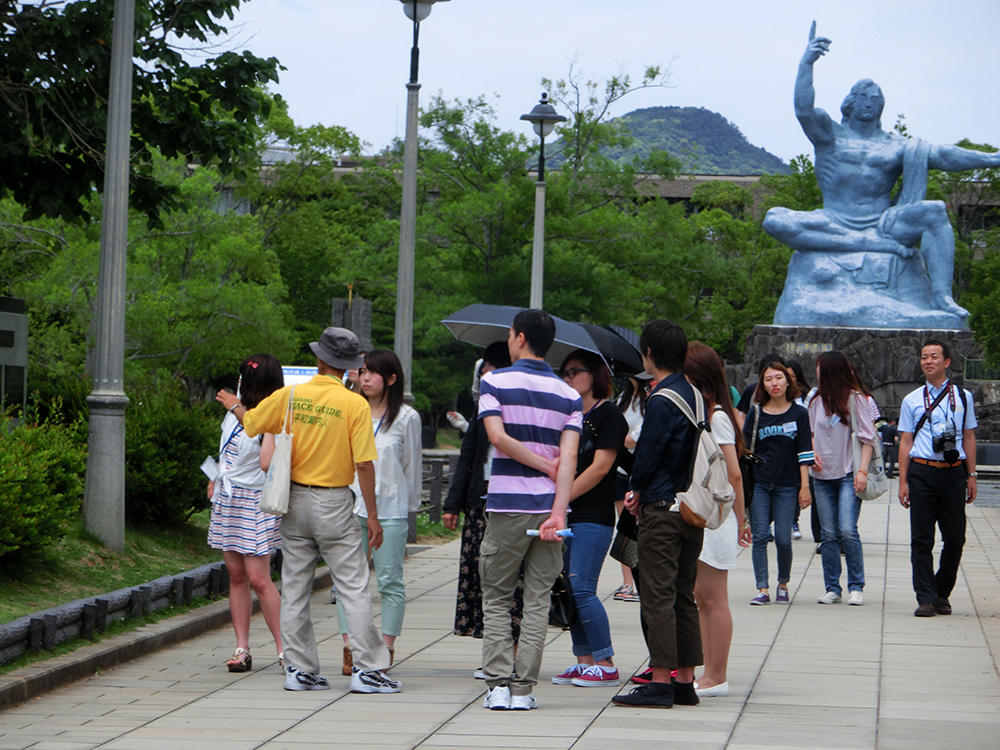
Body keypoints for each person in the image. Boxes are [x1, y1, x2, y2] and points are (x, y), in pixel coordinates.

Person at [763, 24, 1000, 326]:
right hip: (833, 219)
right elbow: (803, 109)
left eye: (876, 97)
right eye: (863, 95)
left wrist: (993, 159)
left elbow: (943, 155)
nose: (871, 100)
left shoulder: (896, 147)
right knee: (774, 218)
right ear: (850, 102)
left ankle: (942, 297)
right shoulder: (830, 136)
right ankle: (863, 244)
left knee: (935, 211)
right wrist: (806, 64)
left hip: (883, 225)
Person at [216, 327, 401, 694]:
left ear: (319, 360)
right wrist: (374, 517)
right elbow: (364, 464)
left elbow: (251, 423)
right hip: (333, 502)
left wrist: (234, 406)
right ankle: (368, 669)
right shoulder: (353, 405)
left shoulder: (290, 395)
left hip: (293, 503)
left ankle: (300, 670)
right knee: (353, 586)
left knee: (296, 586)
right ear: (347, 366)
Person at [478, 309, 582, 711]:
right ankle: (523, 691)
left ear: (519, 337)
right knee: (538, 599)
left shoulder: (494, 381)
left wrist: (539, 464)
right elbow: (569, 459)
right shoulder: (569, 395)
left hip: (507, 504)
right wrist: (558, 511)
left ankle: (498, 686)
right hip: (550, 511)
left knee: (498, 597)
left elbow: (497, 437)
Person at [611, 319, 702, 709]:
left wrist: (634, 485)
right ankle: (685, 682)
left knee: (658, 596)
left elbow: (649, 458)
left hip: (662, 511)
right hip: (688, 509)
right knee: (683, 595)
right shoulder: (693, 393)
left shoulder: (663, 399)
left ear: (648, 354)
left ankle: (661, 680)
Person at [337, 350, 422, 673]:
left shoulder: (406, 418)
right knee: (347, 582)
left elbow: (410, 467)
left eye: (373, 373)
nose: (366, 378)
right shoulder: (350, 411)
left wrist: (408, 507)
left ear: (391, 379)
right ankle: (351, 648)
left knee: (389, 581)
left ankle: (385, 649)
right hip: (348, 506)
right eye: (362, 372)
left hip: (390, 507)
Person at [442, 342, 521, 679]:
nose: (484, 372)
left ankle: (510, 654)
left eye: (489, 365)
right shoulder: (482, 409)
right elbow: (468, 457)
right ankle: (495, 651)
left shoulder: (522, 404)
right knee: (482, 577)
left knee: (512, 579)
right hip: (481, 501)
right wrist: (452, 504)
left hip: (514, 500)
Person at [551, 349, 628, 688]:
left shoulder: (610, 415)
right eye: (563, 373)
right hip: (565, 514)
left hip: (593, 515)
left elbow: (600, 468)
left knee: (582, 587)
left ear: (595, 374)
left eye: (574, 371)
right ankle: (584, 662)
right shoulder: (567, 414)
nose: (567, 378)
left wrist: (562, 497)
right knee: (568, 588)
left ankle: (605, 661)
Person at [208, 354, 285, 673]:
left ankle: (286, 650)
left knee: (259, 578)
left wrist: (236, 409)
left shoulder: (274, 415)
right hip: (229, 498)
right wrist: (214, 477)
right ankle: (242, 648)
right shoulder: (233, 413)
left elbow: (266, 458)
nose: (240, 383)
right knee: (237, 576)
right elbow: (228, 452)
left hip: (256, 500)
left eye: (245, 378)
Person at [685, 343, 751, 699]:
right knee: (701, 598)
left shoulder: (718, 417)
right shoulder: (702, 413)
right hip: (709, 518)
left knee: (714, 599)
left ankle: (717, 675)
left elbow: (734, 474)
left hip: (718, 518)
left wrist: (741, 521)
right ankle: (708, 672)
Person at [898, 340, 978, 617]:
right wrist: (903, 481)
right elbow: (906, 441)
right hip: (922, 472)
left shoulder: (963, 397)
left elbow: (968, 436)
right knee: (922, 539)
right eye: (923, 357)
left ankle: (942, 591)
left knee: (955, 537)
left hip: (953, 472)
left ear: (947, 362)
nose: (928, 361)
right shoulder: (912, 399)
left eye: (934, 357)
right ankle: (926, 598)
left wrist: (971, 475)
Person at [809, 351, 879, 606]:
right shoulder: (815, 401)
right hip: (821, 475)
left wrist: (862, 472)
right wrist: (812, 452)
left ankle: (856, 586)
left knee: (848, 530)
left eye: (819, 367)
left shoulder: (855, 399)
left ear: (830, 369)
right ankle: (832, 588)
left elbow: (868, 437)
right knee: (827, 533)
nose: (816, 371)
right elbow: (811, 433)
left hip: (849, 473)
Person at [743, 362, 814, 605]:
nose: (774, 383)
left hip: (788, 485)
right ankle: (762, 588)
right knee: (761, 536)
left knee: (784, 538)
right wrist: (758, 463)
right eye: (768, 379)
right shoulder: (757, 412)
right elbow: (745, 449)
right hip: (760, 484)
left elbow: (804, 451)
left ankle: (783, 583)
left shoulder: (799, 414)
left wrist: (804, 487)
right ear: (762, 384)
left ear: (788, 382)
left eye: (778, 378)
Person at [612, 376, 646, 602]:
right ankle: (627, 583)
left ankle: (641, 578)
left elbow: (635, 437)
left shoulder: (649, 400)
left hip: (637, 467)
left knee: (640, 527)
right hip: (619, 469)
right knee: (623, 526)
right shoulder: (623, 398)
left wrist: (611, 440)